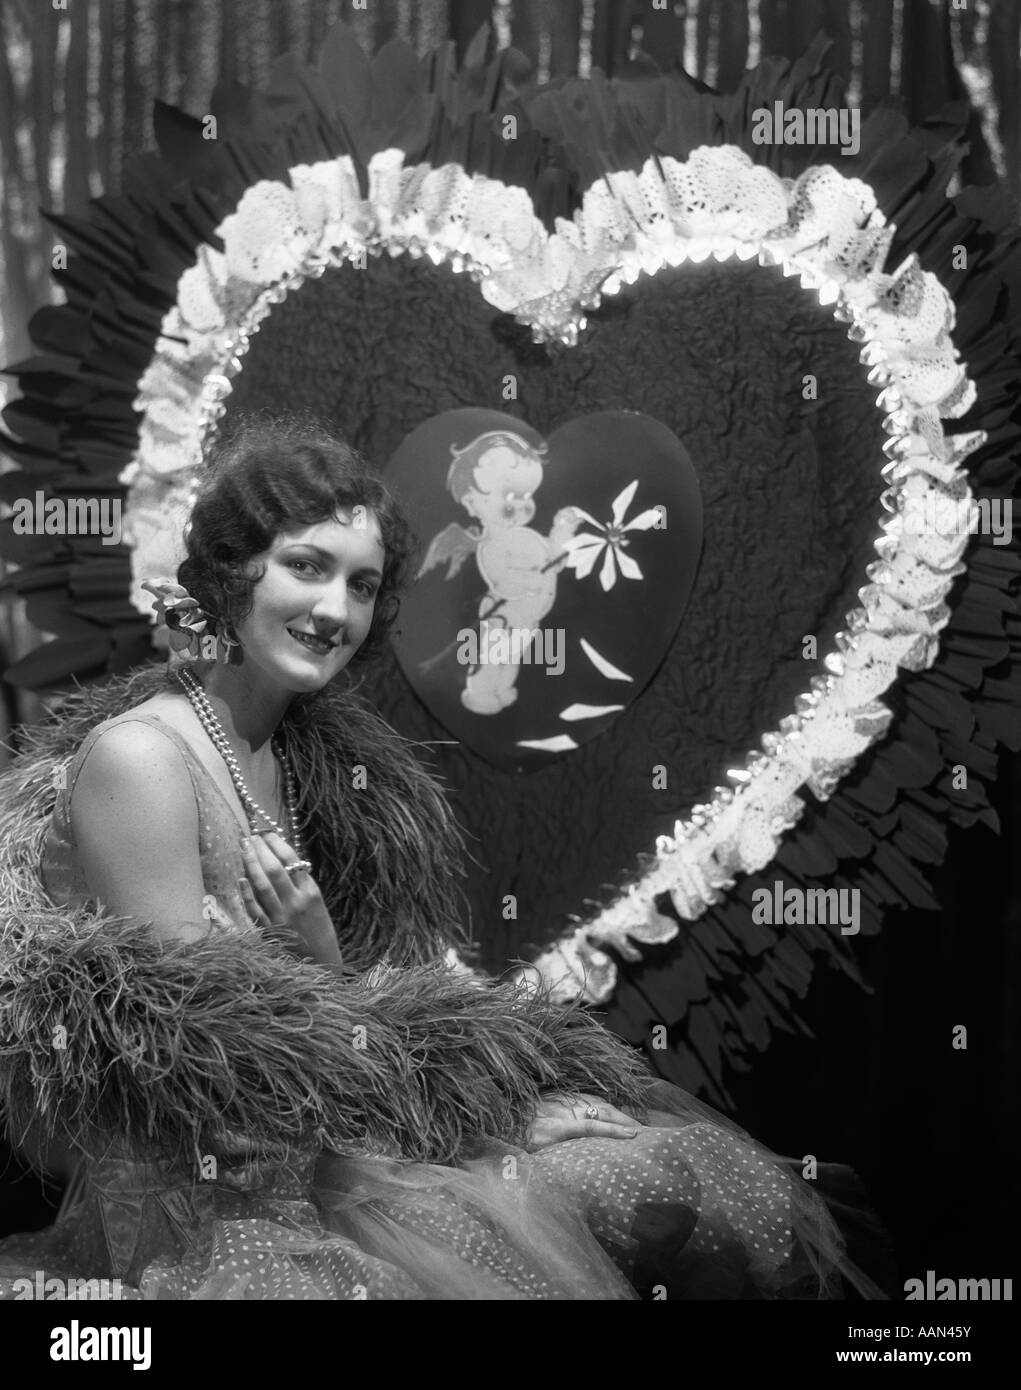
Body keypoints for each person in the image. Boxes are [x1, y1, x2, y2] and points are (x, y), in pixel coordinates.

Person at [0, 418, 887, 1300]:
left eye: (362, 585)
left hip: (339, 1144)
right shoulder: (142, 759)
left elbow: (357, 1023)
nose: (333, 611)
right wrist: (320, 965)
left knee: (644, 1166)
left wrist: (492, 1110)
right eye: (305, 567)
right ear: (233, 573)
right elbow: (195, 1076)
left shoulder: (305, 758)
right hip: (215, 1208)